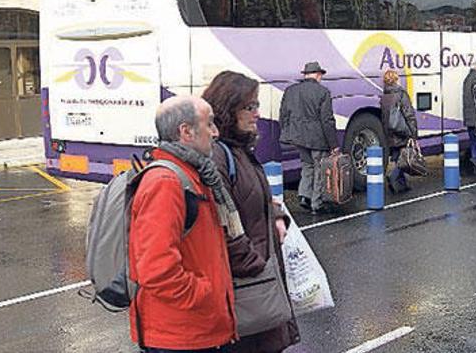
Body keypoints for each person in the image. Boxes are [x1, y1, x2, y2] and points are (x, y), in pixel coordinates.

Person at [128, 96, 244, 353]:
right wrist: (204, 295)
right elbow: (156, 269)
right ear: (186, 132)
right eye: (210, 124)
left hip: (200, 331)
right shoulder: (166, 183)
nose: (215, 132)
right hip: (182, 337)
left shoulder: (197, 174)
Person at [202, 71, 301, 353]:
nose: (257, 113)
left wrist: (278, 216)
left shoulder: (240, 150)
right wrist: (255, 265)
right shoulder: (219, 156)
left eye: (257, 105)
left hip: (259, 281)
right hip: (248, 288)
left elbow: (257, 198)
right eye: (249, 106)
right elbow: (222, 221)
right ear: (227, 109)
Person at [278, 61, 339, 214]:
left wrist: (287, 132)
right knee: (319, 169)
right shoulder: (323, 92)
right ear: (318, 75)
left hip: (298, 137)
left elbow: (283, 115)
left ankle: (304, 195)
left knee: (307, 165)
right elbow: (327, 120)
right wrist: (334, 144)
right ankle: (316, 204)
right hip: (317, 138)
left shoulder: (290, 90)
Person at [380, 69, 418, 193]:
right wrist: (413, 133)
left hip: (390, 132)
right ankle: (393, 176)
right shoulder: (401, 93)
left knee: (398, 157)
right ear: (396, 79)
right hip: (401, 131)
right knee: (404, 160)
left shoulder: (385, 95)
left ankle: (402, 184)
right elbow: (408, 113)